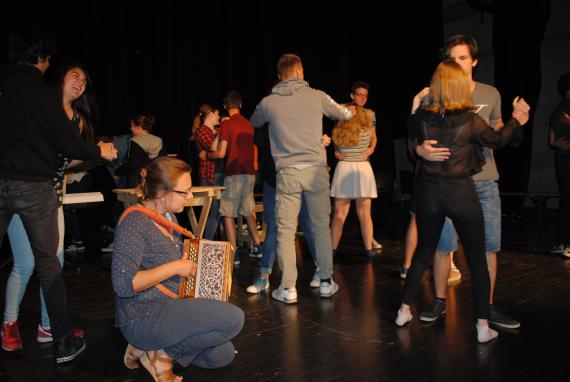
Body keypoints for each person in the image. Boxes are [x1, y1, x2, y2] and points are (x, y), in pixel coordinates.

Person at [0, 25, 116, 363]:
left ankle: (48, 328)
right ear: (46, 62)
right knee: (38, 263)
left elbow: (67, 156)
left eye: (84, 79)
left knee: (53, 260)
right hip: (36, 190)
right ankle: (53, 337)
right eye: (73, 75)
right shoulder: (43, 95)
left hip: (45, 191)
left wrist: (86, 152)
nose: (79, 82)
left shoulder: (77, 118)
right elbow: (65, 151)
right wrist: (98, 151)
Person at [395, 60, 529, 344]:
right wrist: (518, 119)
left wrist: (415, 101)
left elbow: (410, 126)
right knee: (477, 259)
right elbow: (498, 140)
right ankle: (482, 327)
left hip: (430, 195)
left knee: (423, 253)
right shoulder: (470, 119)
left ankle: (403, 311)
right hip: (460, 195)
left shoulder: (422, 117)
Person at [112, 157, 244, 381]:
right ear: (162, 192)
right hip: (141, 315)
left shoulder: (168, 217)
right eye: (185, 191)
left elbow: (166, 263)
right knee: (234, 319)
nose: (190, 196)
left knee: (222, 355)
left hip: (170, 306)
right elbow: (124, 285)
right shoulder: (134, 222)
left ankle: (146, 348)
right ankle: (162, 355)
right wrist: (176, 266)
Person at [250, 53, 352, 303]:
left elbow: (254, 121)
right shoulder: (317, 96)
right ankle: (326, 282)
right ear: (300, 71)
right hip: (316, 171)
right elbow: (344, 114)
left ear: (279, 76)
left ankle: (288, 288)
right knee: (319, 228)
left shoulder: (268, 102)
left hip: (287, 173)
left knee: (285, 230)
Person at [207, 91, 261, 263]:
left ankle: (234, 251)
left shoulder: (227, 125)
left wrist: (208, 155)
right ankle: (257, 246)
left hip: (234, 172)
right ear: (240, 104)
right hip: (249, 172)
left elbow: (221, 152)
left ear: (225, 106)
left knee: (228, 213)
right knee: (247, 210)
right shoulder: (249, 123)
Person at [334, 82, 382, 251]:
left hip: (362, 165)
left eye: (365, 95)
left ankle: (369, 249)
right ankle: (331, 251)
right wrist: (335, 151)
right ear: (352, 95)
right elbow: (337, 133)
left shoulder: (370, 114)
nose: (362, 98)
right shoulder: (342, 111)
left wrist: (372, 148)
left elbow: (374, 136)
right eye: (359, 94)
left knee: (364, 213)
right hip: (345, 164)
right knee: (340, 213)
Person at [192, 104, 224, 240]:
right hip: (211, 175)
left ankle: (224, 244)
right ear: (210, 114)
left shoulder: (215, 131)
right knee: (215, 211)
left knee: (222, 212)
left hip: (220, 173)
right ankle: (206, 244)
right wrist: (223, 131)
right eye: (217, 114)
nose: (219, 117)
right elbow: (212, 147)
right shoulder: (201, 131)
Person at [548, 73, 570, 257]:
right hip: (565, 159)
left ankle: (564, 243)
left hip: (561, 158)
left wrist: (555, 144)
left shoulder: (557, 109)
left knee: (566, 199)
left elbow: (551, 139)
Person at [115, 114, 164, 188]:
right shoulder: (159, 140)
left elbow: (133, 164)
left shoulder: (135, 141)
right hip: (156, 181)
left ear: (138, 127)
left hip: (137, 182)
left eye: (132, 125)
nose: (130, 128)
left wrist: (117, 172)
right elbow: (164, 162)